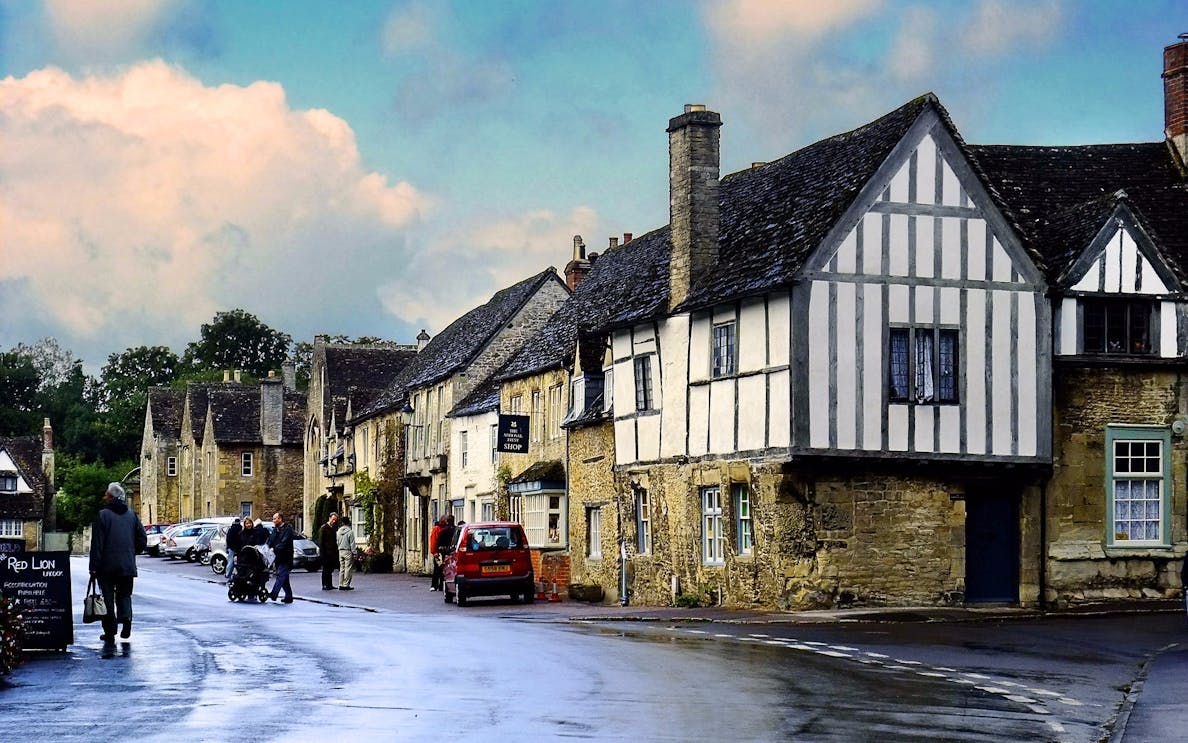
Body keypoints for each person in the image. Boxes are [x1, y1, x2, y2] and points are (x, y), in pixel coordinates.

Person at [88, 482, 147, 644]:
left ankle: (110, 631)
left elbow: (97, 544)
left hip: (106, 567)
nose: (104, 497)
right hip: (127, 565)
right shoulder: (132, 515)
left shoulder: (102, 515)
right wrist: (132, 552)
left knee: (107, 598)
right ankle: (126, 619)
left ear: (111, 497)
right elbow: (142, 539)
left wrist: (93, 567)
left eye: (106, 494)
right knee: (125, 596)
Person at [266, 511, 295, 603]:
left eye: (275, 518)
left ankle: (274, 594)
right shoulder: (275, 529)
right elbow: (271, 540)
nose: (273, 520)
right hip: (277, 557)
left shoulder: (288, 529)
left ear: (280, 519)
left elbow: (284, 542)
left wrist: (274, 548)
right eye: (273, 519)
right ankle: (289, 596)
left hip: (286, 557)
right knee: (284, 579)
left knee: (280, 575)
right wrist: (266, 547)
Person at [319, 512, 338, 590]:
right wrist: (322, 553)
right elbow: (321, 541)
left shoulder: (333, 528)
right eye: (333, 519)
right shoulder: (323, 528)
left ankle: (330, 584)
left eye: (335, 520)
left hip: (332, 552)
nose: (334, 521)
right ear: (329, 518)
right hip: (326, 552)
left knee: (330, 569)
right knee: (325, 570)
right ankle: (324, 585)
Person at [336, 515, 357, 590]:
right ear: (348, 522)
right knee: (348, 568)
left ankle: (340, 583)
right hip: (347, 551)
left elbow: (337, 541)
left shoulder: (338, 532)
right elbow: (352, 543)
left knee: (342, 568)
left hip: (340, 551)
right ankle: (346, 584)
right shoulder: (350, 532)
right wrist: (354, 552)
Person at [428, 515, 445, 591]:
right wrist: (434, 552)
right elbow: (433, 541)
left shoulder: (442, 529)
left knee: (442, 569)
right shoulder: (436, 529)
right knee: (437, 569)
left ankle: (441, 585)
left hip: (442, 552)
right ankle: (434, 585)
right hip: (438, 552)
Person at [224, 517, 243, 583]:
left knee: (231, 561)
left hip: (232, 548)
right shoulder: (241, 528)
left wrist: (229, 547)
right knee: (239, 562)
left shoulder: (231, 529)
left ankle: (228, 574)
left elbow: (228, 539)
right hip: (239, 547)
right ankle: (239, 574)